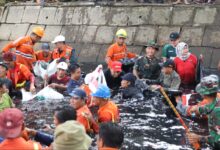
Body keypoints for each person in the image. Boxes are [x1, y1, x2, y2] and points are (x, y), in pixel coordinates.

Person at [186, 75, 220, 149]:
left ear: (203, 95)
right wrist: (198, 109)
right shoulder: (217, 100)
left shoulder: (216, 112)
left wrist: (199, 138)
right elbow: (210, 107)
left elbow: (218, 140)